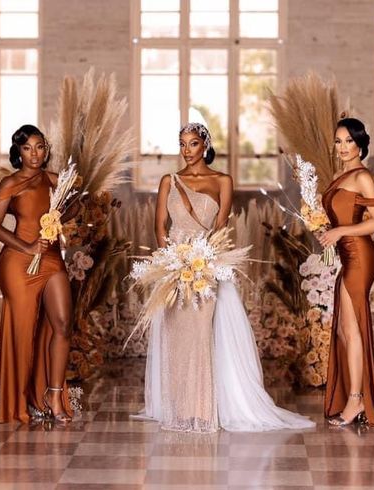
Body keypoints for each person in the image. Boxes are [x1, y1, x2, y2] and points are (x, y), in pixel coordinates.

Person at [135, 122, 315, 432]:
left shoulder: (222, 181)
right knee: (176, 336)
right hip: (173, 270)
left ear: (205, 145)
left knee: (202, 334)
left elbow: (220, 227)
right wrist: (170, 261)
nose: (186, 150)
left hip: (206, 268)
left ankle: (203, 410)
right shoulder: (169, 181)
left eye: (192, 143)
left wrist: (199, 260)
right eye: (182, 144)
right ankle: (178, 407)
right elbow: (160, 227)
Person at [0, 124, 79, 424]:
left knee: (63, 324)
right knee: (24, 332)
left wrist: (62, 219)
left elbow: (76, 203)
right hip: (18, 262)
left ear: (46, 149)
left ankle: (53, 393)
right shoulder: (10, 184)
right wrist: (27, 246)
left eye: (40, 146)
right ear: (18, 152)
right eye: (27, 148)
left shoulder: (55, 181)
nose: (35, 153)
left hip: (50, 259)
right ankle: (19, 400)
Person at [319, 118, 374, 428]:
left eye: (349, 141)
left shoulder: (362, 176)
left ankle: (356, 400)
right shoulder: (340, 175)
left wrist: (341, 231)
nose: (343, 147)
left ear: (360, 143)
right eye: (338, 141)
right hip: (348, 253)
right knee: (342, 330)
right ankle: (353, 396)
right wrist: (328, 230)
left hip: (361, 255)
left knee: (351, 330)